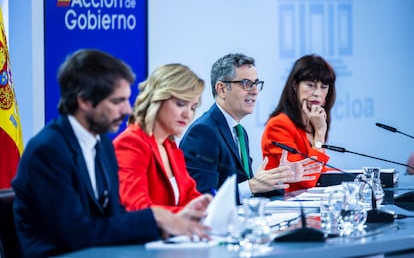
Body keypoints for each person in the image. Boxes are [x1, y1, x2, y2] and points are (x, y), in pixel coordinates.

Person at [11, 49, 210, 257]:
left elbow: (115, 217)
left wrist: (169, 219)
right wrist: (157, 217)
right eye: (117, 102)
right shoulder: (48, 150)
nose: (127, 110)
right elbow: (75, 234)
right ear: (85, 101)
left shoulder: (103, 145)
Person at [180, 53, 319, 202]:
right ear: (222, 89)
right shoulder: (203, 132)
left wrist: (277, 178)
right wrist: (252, 185)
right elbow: (202, 198)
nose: (255, 91)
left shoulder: (239, 131)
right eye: (246, 84)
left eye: (256, 83)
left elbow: (246, 190)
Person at [113, 63, 212, 217]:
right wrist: (185, 215)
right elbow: (136, 208)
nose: (188, 114)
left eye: (193, 107)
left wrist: (208, 208)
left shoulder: (169, 146)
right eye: (181, 104)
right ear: (157, 99)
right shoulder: (131, 143)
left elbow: (190, 196)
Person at [261, 54, 336, 192]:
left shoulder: (313, 122)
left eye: (324, 87)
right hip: (284, 207)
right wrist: (319, 135)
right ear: (295, 85)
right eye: (311, 85)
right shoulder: (278, 125)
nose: (318, 93)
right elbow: (308, 178)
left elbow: (321, 172)